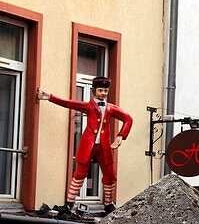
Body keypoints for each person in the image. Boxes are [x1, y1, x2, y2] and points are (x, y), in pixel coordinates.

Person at [38, 77, 133, 215]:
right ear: (94, 91)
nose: (103, 93)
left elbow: (128, 119)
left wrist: (120, 136)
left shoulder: (110, 108)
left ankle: (108, 204)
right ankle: (69, 204)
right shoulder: (89, 106)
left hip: (104, 146)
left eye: (105, 91)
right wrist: (50, 97)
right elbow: (69, 104)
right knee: (80, 173)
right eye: (100, 90)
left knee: (110, 174)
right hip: (88, 144)